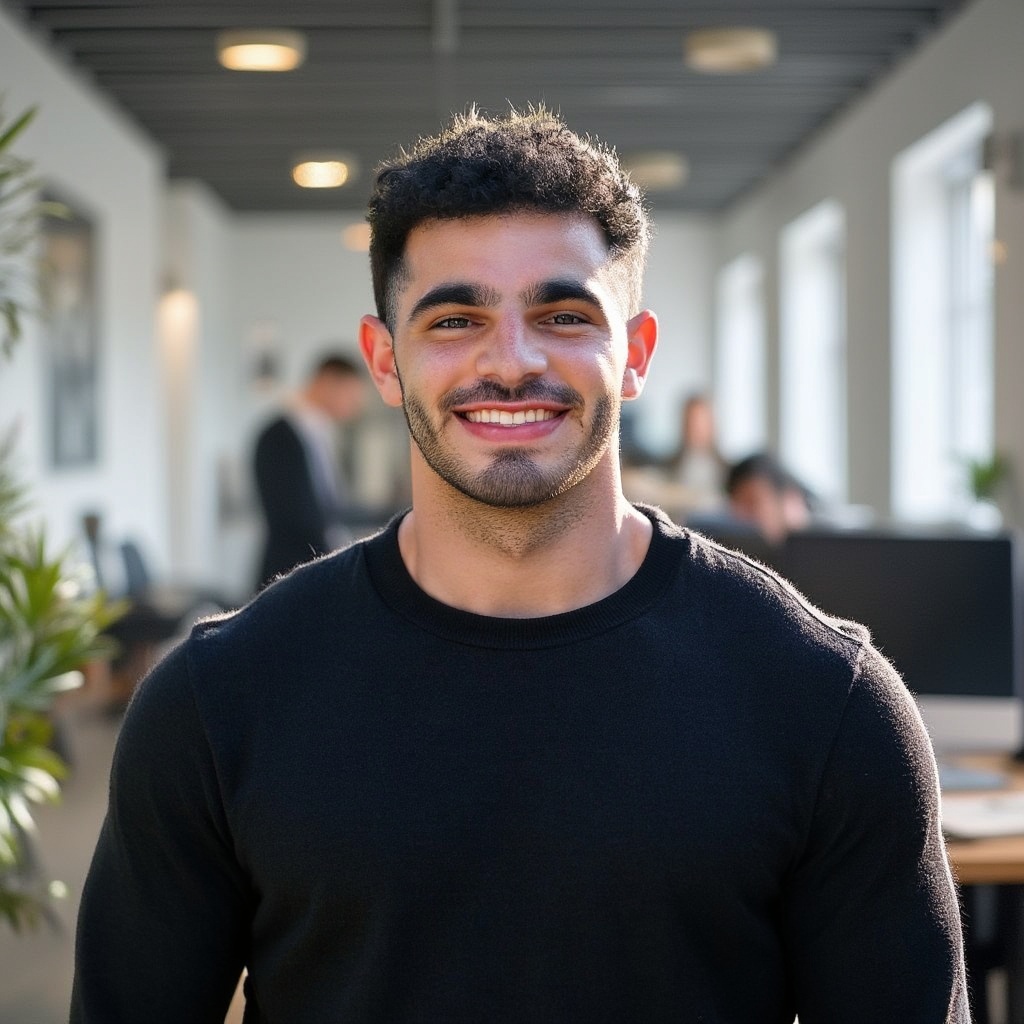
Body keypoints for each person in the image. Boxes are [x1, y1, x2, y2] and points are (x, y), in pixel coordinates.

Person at [72, 107, 969, 1023]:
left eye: (563, 313)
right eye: (455, 318)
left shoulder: (827, 703)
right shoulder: (218, 703)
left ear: (636, 355)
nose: (512, 361)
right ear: (386, 361)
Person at [252, 353, 371, 591]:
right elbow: (297, 518)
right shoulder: (278, 436)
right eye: (351, 395)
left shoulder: (322, 434)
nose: (355, 406)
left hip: (318, 572)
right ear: (327, 383)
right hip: (288, 575)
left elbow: (330, 508)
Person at [726, 450, 814, 545]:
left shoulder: (824, 549)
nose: (741, 517)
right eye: (736, 508)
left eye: (752, 503)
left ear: (790, 500)